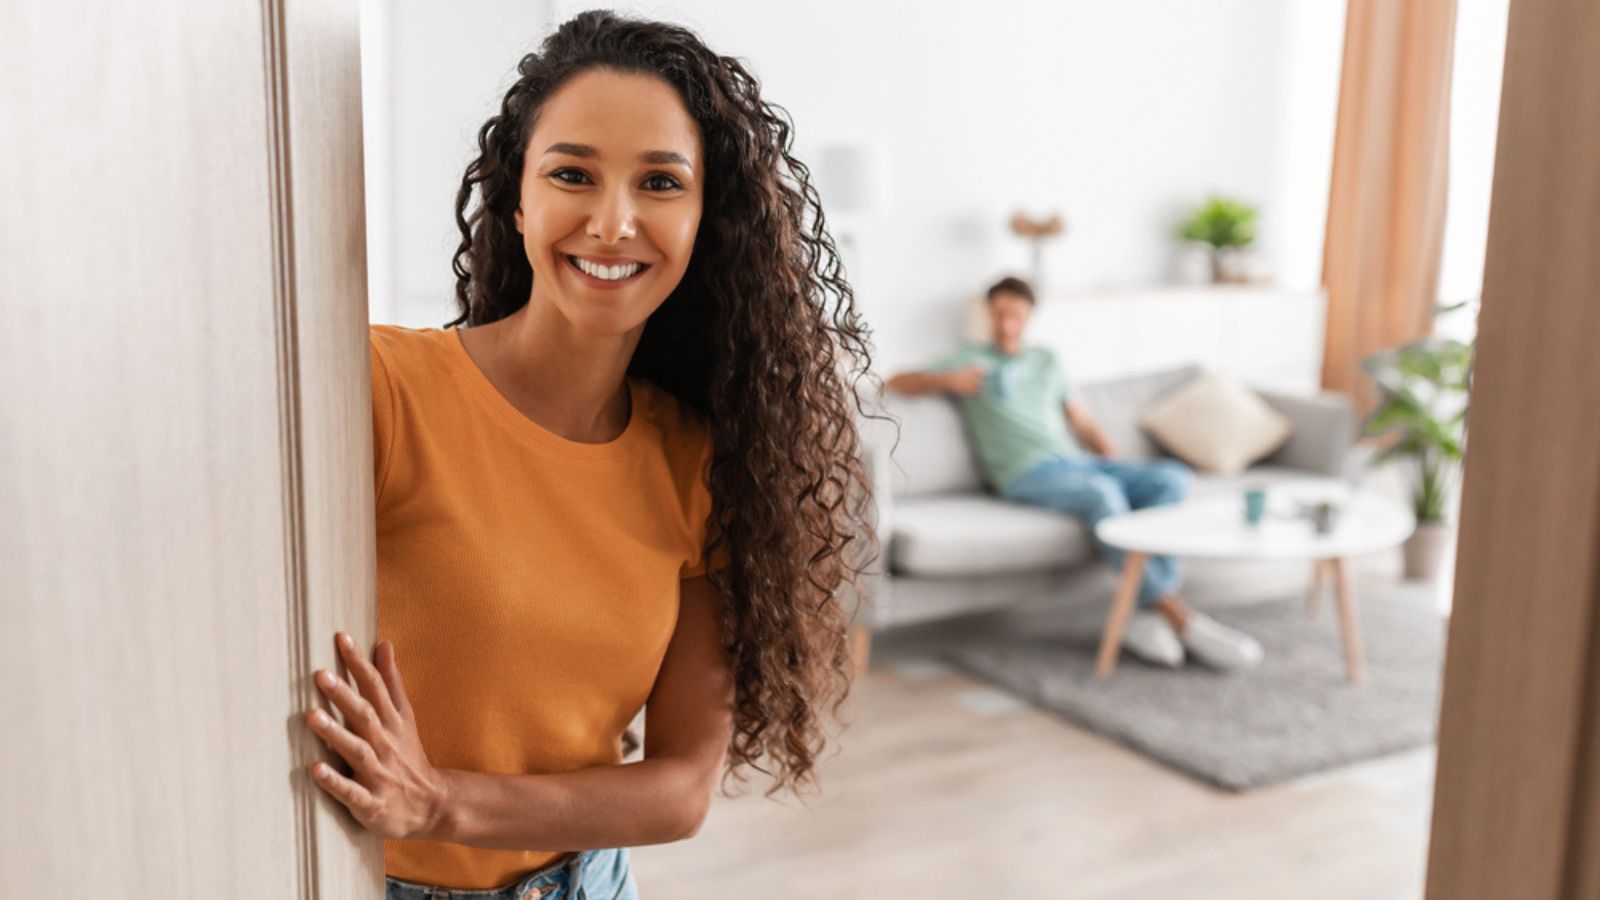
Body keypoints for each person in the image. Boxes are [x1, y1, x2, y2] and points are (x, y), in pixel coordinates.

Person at [301, 11, 878, 898]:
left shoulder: (695, 462)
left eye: (659, 182)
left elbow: (679, 789)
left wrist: (440, 802)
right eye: (573, 173)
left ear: (704, 219)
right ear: (520, 197)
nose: (613, 224)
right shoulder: (381, 390)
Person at [886, 276, 1262, 671]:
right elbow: (895, 381)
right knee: (1101, 495)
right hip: (1024, 474)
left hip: (1075, 462)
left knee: (1169, 479)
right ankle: (1180, 617)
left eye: (1013, 315)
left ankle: (1145, 615)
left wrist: (1114, 462)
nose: (1005, 324)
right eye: (997, 314)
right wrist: (945, 381)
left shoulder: (1045, 361)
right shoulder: (967, 361)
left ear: (1028, 316)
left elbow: (1080, 421)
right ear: (987, 314)